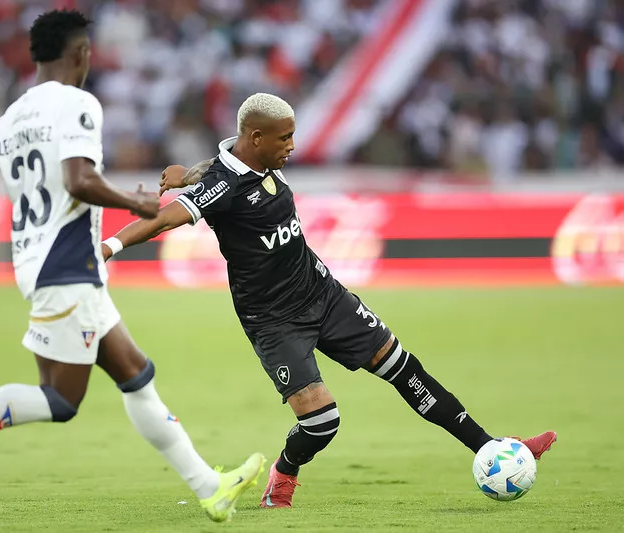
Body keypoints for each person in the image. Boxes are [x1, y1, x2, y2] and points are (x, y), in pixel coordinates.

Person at [0, 10, 264, 523]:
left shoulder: (12, 116)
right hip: (65, 267)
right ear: (80, 54)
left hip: (46, 266)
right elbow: (78, 181)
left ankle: (210, 488)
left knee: (136, 375)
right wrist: (136, 204)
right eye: (88, 49)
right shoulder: (78, 104)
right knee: (61, 401)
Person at [101, 92, 557, 509]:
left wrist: (191, 170)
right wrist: (107, 249)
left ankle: (490, 448)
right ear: (257, 137)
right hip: (274, 321)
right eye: (285, 137)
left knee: (405, 369)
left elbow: (227, 161)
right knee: (323, 423)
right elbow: (163, 220)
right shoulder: (221, 187)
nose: (292, 146)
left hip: (323, 293)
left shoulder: (253, 159)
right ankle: (284, 471)